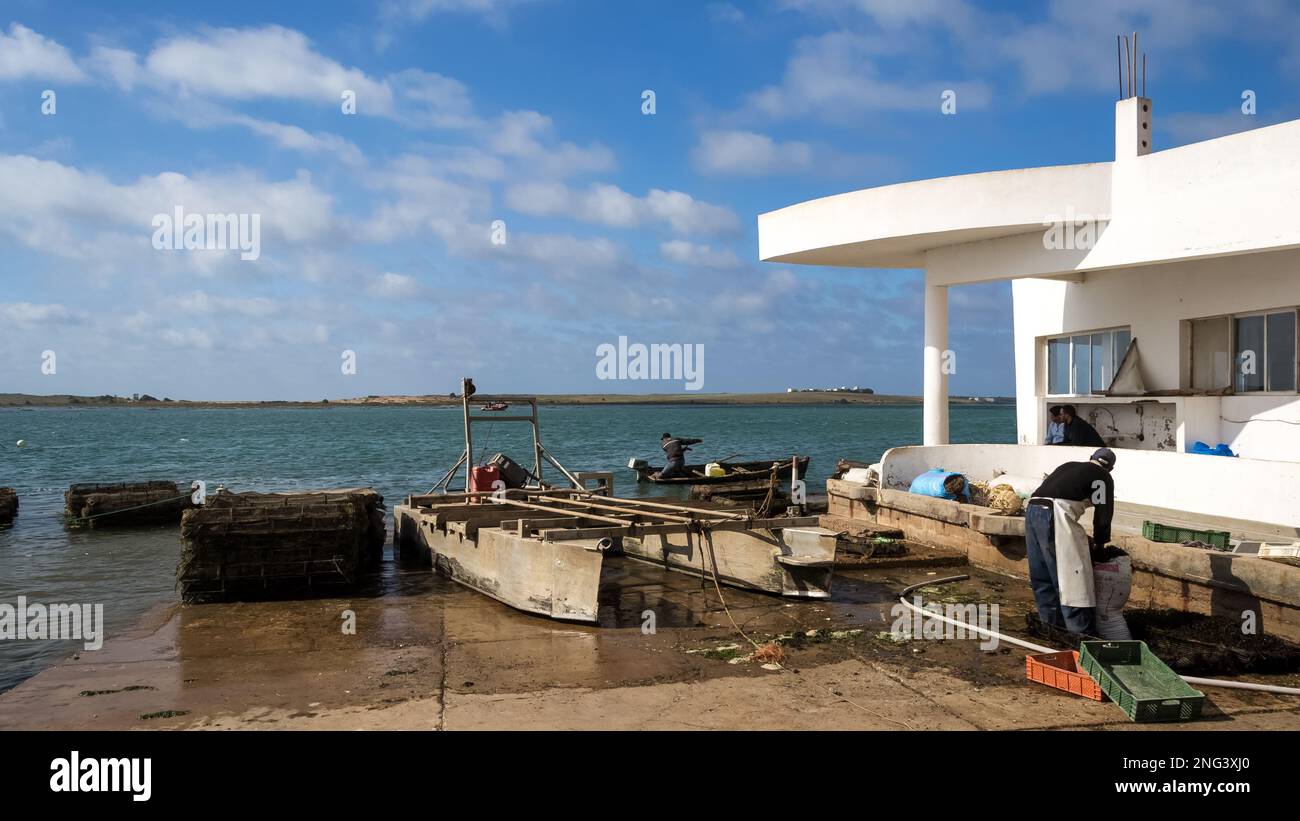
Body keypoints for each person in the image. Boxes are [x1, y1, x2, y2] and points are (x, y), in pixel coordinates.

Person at [1024, 448, 1117, 637]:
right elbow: (1103, 514)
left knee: (1043, 576)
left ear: (1091, 458)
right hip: (1055, 513)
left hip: (1033, 509)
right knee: (1072, 577)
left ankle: (1051, 630)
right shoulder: (1103, 477)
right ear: (1111, 468)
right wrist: (1100, 543)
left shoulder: (1068, 466)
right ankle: (1080, 635)